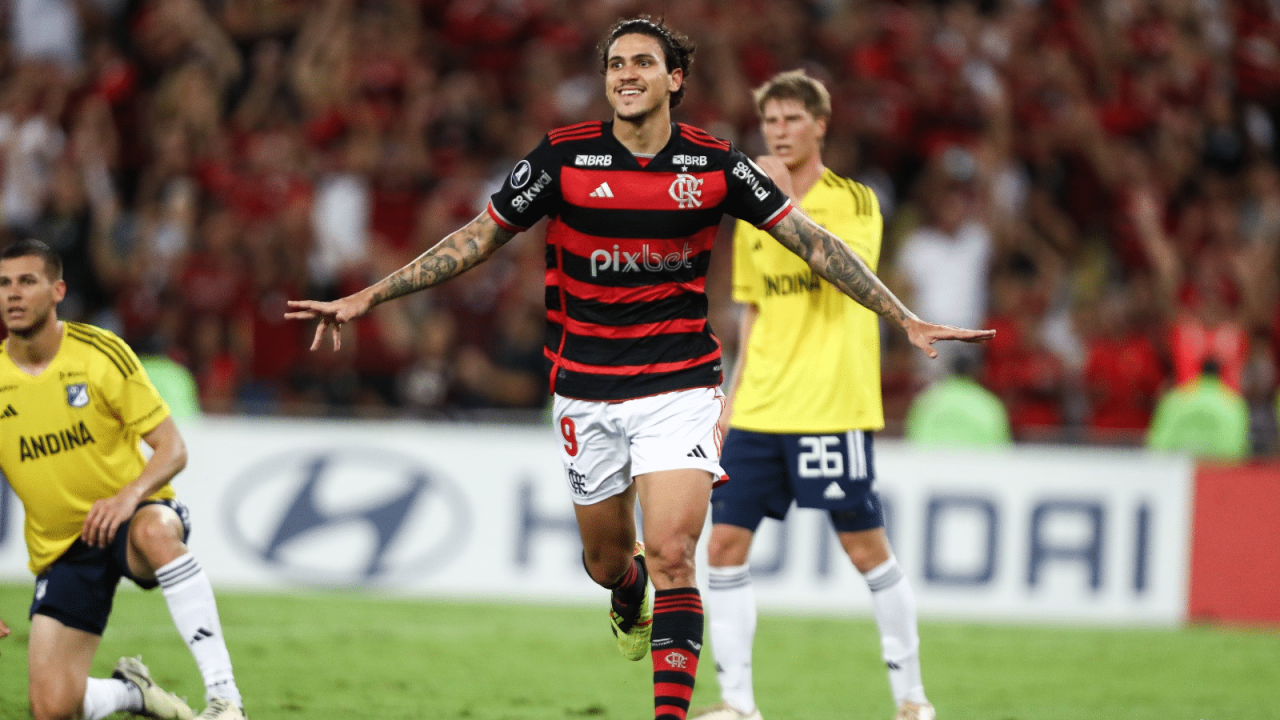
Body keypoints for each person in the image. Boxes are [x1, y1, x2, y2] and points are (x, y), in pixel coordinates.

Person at [286, 18, 992, 720]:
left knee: (674, 553)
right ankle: (627, 596)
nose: (625, 74)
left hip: (679, 384)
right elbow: (476, 238)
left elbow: (812, 243)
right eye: (615, 64)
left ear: (673, 78)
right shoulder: (563, 158)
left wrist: (901, 315)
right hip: (584, 389)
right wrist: (369, 296)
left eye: (642, 63)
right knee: (607, 561)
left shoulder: (713, 166)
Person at [695, 71, 937, 720]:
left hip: (830, 404)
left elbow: (838, 268)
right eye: (769, 122)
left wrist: (779, 207)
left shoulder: (855, 200)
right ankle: (739, 703)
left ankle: (912, 697)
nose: (778, 131)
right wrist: (727, 402)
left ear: (820, 125)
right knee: (722, 546)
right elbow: (749, 314)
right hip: (759, 407)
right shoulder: (751, 211)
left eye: (791, 119)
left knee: (865, 550)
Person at [0, 239, 246, 720]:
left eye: (27, 281)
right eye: (4, 283)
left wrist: (125, 498)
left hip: (131, 516)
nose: (13, 293)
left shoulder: (99, 353)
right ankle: (133, 691)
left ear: (57, 291)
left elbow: (172, 447)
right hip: (63, 549)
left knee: (155, 531)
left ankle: (224, 699)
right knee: (52, 709)